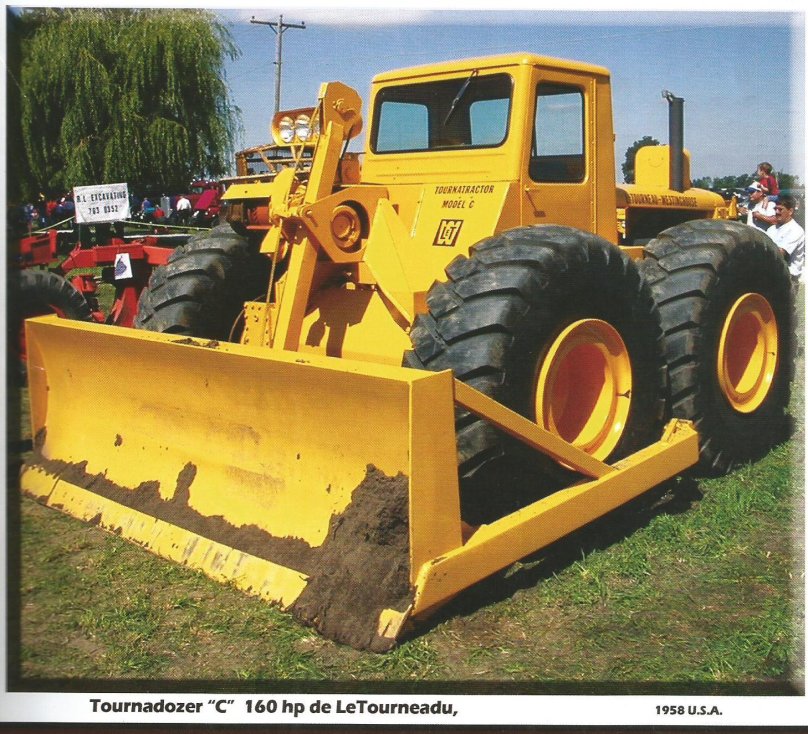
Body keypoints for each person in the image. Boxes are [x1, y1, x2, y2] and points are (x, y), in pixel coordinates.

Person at [766, 193, 804, 288]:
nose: (777, 212)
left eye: (780, 209)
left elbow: (780, 254)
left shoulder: (796, 230)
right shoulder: (772, 229)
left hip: (788, 280)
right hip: (772, 276)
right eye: (775, 209)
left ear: (790, 211)